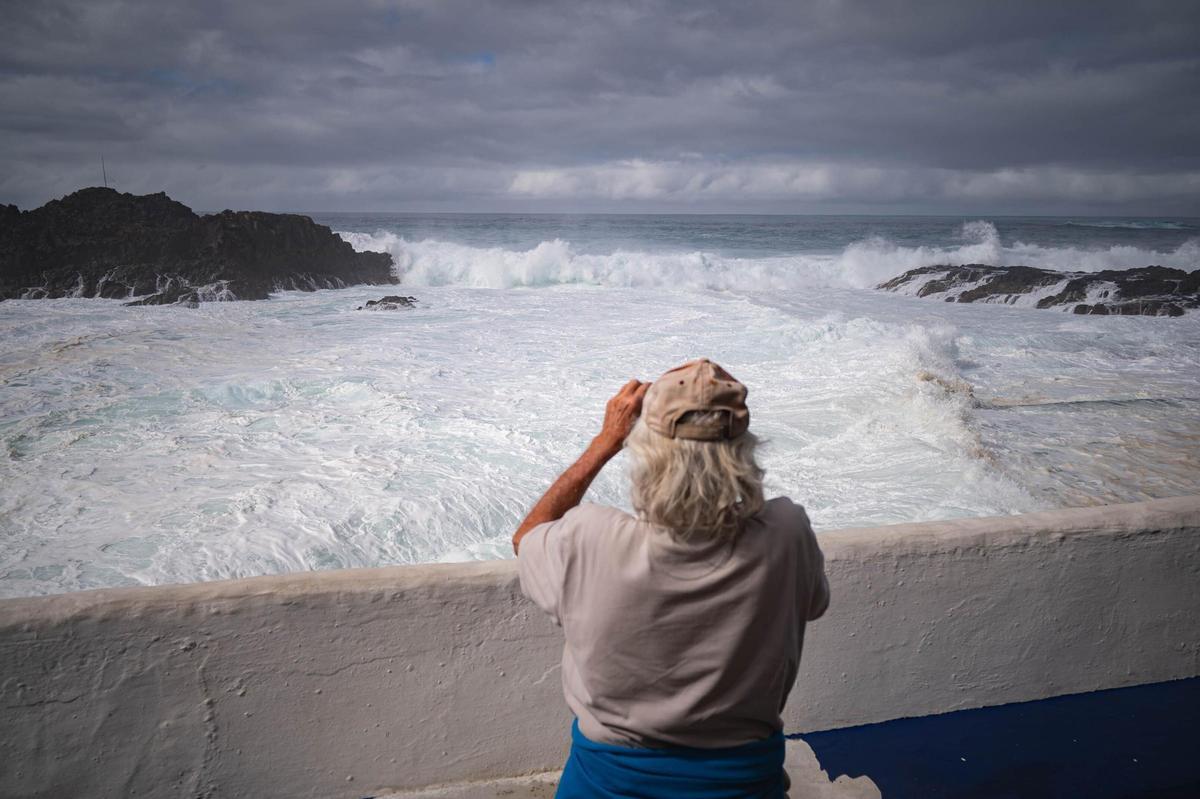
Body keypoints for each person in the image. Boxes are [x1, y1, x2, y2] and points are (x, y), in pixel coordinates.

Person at [513, 358, 830, 798]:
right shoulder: (787, 534)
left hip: (606, 786)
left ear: (644, 448)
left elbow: (528, 536)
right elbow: (814, 603)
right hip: (745, 785)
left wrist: (604, 442)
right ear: (744, 449)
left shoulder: (590, 537)